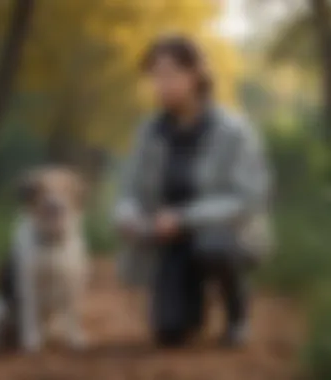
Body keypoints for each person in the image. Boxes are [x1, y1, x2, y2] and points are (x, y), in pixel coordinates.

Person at [115, 35, 272, 348]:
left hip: (223, 234)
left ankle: (236, 315)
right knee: (170, 333)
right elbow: (129, 190)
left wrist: (184, 217)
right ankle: (191, 308)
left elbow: (249, 197)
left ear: (197, 75)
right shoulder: (150, 131)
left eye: (170, 74)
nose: (161, 84)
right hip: (168, 239)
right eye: (155, 76)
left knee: (214, 246)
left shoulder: (233, 130)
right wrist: (128, 215)